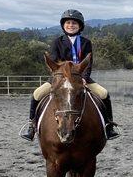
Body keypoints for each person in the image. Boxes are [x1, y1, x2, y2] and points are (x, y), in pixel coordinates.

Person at [20, 9, 119, 141]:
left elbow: (88, 63)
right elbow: (54, 62)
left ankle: (109, 126)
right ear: (63, 25)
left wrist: (83, 78)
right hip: (60, 78)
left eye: (74, 23)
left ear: (79, 26)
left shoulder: (85, 43)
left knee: (104, 94)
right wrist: (59, 77)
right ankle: (31, 126)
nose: (71, 25)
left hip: (81, 78)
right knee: (36, 94)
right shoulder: (57, 42)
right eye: (68, 23)